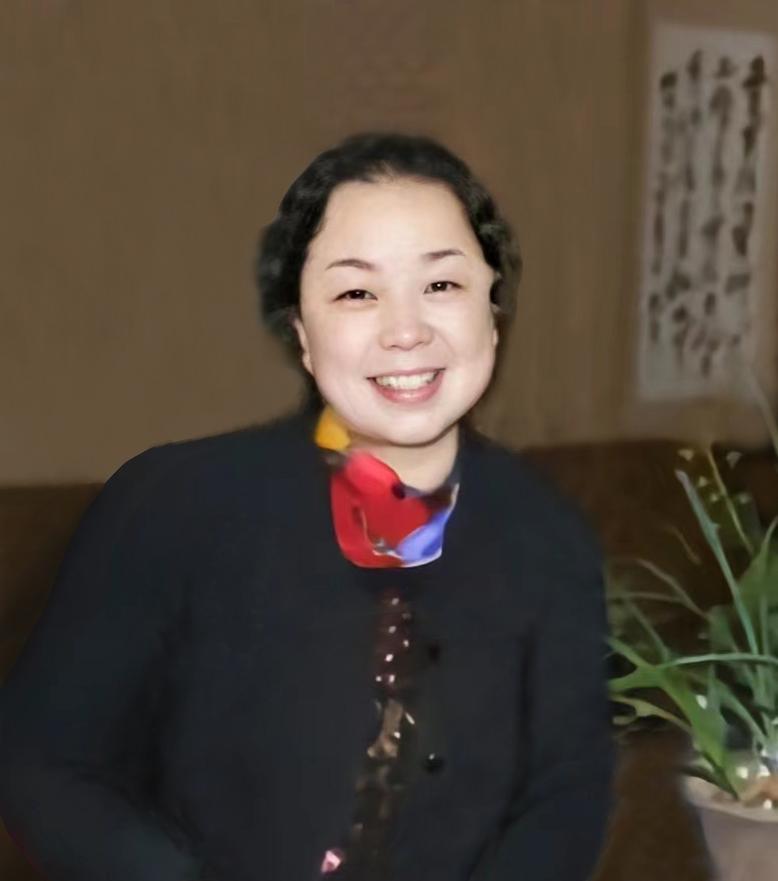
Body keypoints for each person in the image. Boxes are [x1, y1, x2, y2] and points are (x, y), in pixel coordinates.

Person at [0, 132, 615, 881]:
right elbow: (40, 758)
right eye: (357, 292)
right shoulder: (171, 505)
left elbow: (567, 794)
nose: (406, 330)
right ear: (302, 331)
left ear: (492, 313)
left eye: (442, 284)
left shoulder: (549, 536)